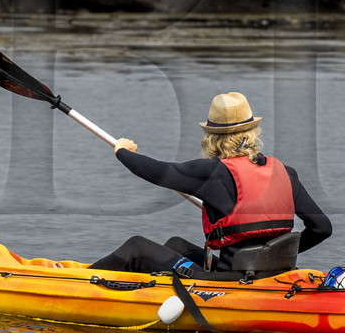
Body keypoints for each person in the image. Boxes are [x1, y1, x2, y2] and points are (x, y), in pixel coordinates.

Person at [89, 92, 331, 275]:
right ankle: (146, 291)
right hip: (273, 277)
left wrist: (123, 152)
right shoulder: (286, 173)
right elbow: (322, 228)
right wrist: (275, 254)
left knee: (136, 247)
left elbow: (157, 171)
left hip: (231, 282)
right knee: (177, 245)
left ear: (211, 137)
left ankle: (78, 282)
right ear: (253, 132)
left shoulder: (212, 172)